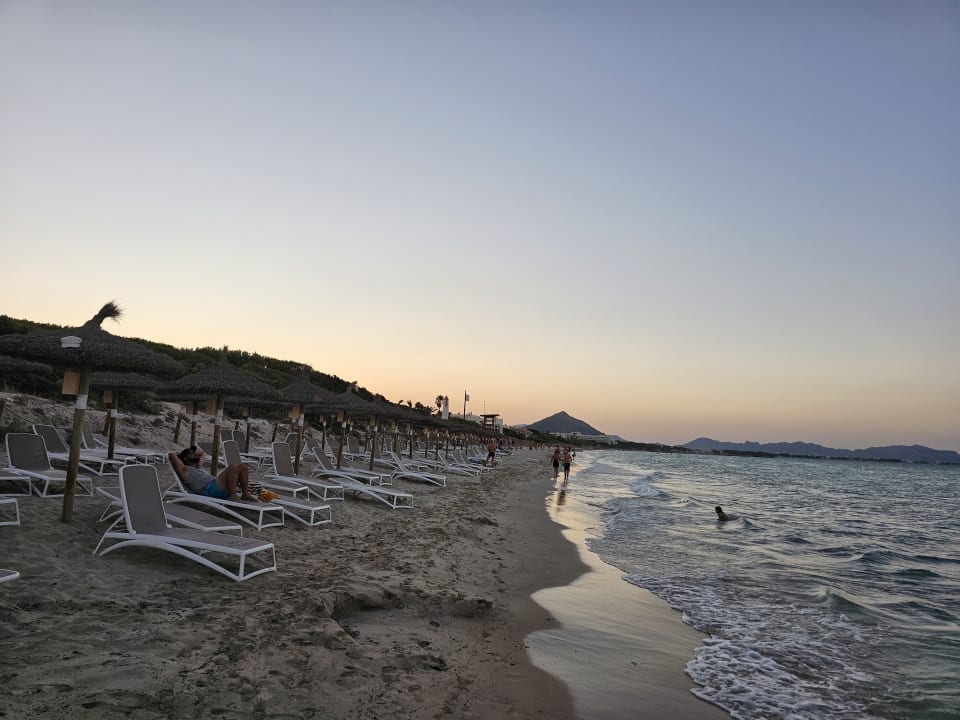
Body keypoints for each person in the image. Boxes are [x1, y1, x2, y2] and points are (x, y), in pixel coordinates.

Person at [169, 446, 257, 501]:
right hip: (210, 490)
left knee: (243, 466)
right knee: (232, 467)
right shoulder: (185, 470)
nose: (194, 454)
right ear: (184, 458)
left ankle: (245, 494)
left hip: (217, 485)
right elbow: (171, 455)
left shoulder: (198, 466)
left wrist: (191, 453)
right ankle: (233, 495)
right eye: (191, 454)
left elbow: (202, 453)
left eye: (194, 453)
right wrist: (180, 454)